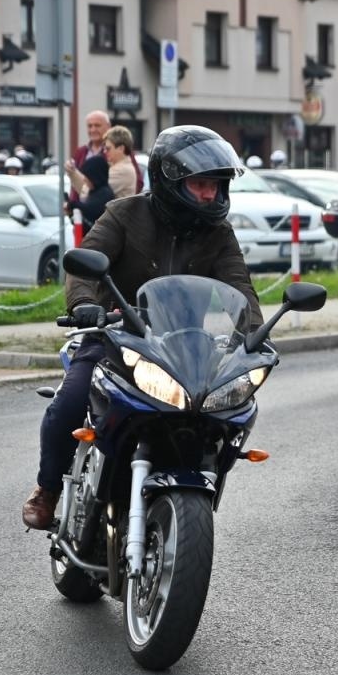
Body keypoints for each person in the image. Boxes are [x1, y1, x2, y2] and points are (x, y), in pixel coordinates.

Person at [21, 125, 262, 530]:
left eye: (216, 185)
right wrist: (84, 305)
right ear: (170, 181)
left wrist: (255, 334)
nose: (210, 195)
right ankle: (47, 489)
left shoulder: (218, 233)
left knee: (223, 410)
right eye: (200, 184)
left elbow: (240, 286)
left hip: (184, 348)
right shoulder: (125, 214)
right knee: (70, 400)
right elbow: (85, 262)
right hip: (117, 337)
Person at [66, 154, 113, 233]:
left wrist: (73, 205)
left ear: (95, 177)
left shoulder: (105, 194)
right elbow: (84, 221)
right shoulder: (93, 192)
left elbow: (90, 210)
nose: (84, 180)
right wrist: (71, 213)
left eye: (87, 177)